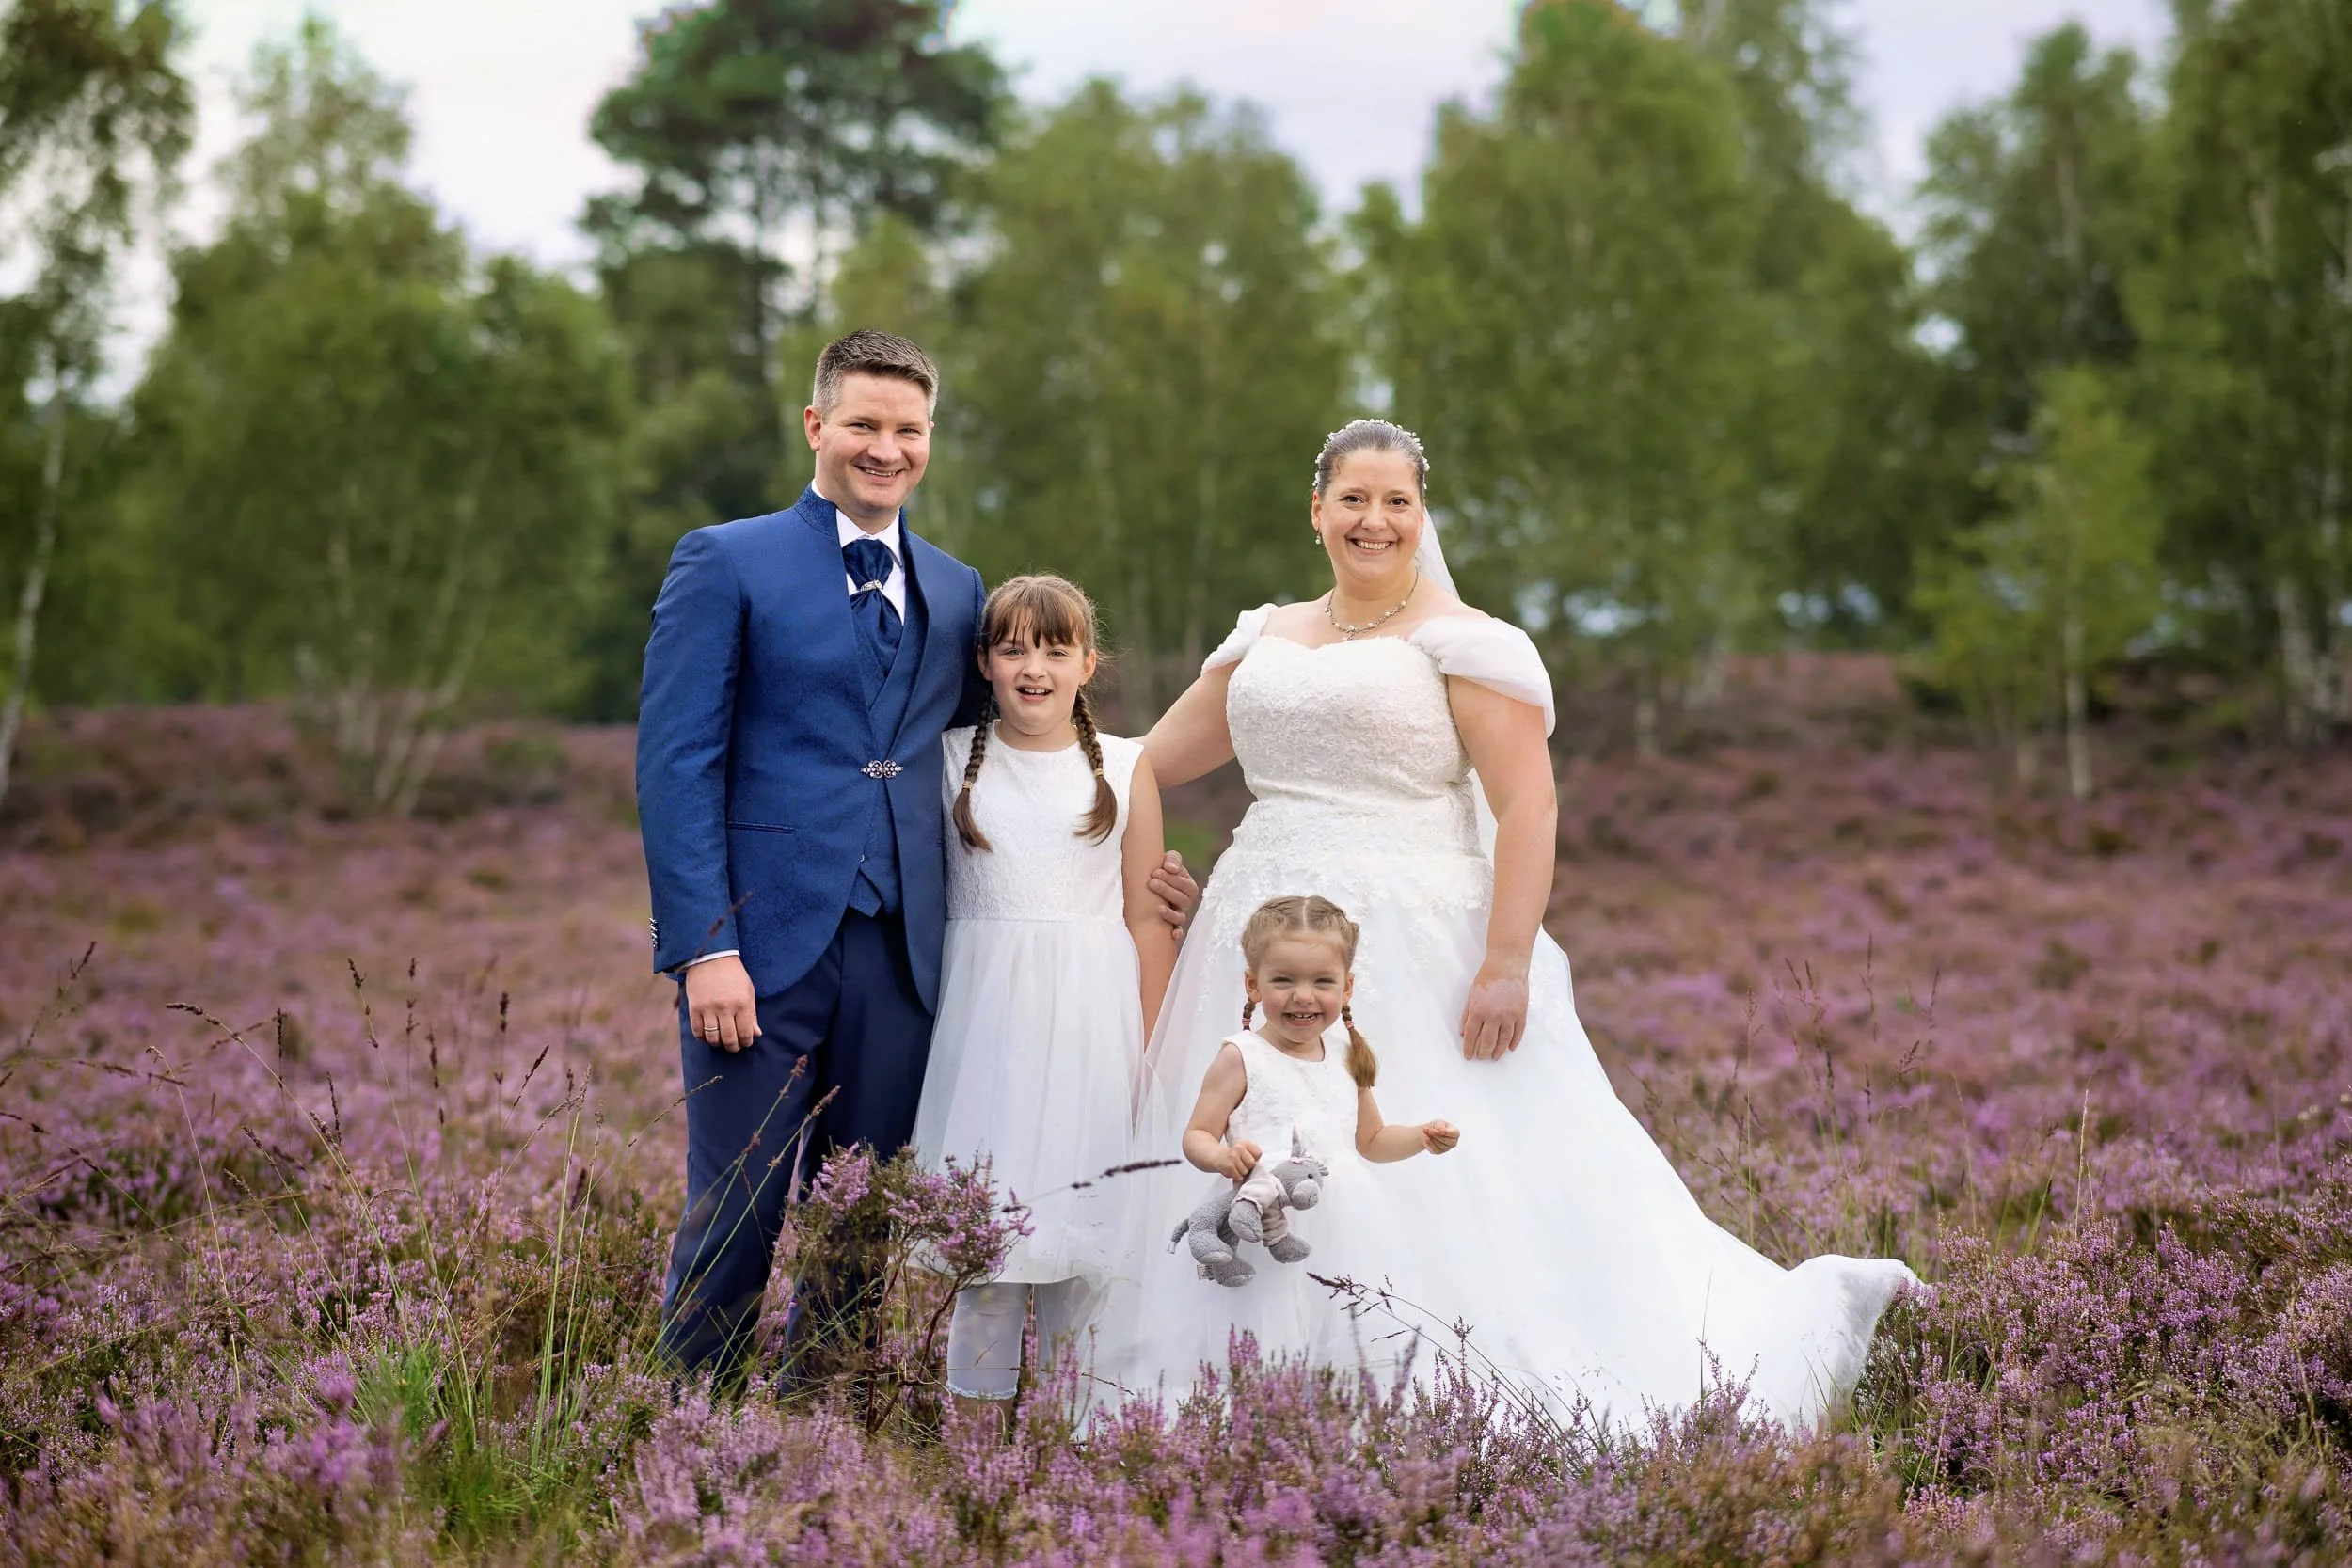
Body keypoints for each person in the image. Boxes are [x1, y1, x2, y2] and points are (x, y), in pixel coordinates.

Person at [1094, 419, 1918, 1431]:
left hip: (1414, 936)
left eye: (1397, 500)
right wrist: (1070, 795)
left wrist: (1505, 959)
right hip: (1255, 929)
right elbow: (1145, 759)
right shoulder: (1261, 637)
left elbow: (1530, 806)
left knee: (1424, 1162)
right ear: (1315, 510)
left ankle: (1400, 1383)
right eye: (1353, 497)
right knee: (1251, 1131)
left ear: (1421, 514)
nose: (1374, 518)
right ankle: (1244, 1377)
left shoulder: (1464, 642)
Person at [635, 329, 1195, 1382]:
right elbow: (675, 768)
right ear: (817, 426)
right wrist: (704, 947)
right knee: (737, 1208)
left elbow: (1023, 742)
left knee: (864, 1218)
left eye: (907, 429)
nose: (883, 448)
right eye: (862, 424)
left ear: (928, 439)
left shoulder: (955, 585)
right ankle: (687, 1426)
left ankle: (823, 1432)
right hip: (756, 950)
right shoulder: (726, 560)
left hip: (908, 961)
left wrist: (1136, 855)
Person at [909, 575, 1176, 1412]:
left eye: (1056, 650)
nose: (1036, 667)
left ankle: (1077, 1432)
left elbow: (1146, 918)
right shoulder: (948, 758)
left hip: (1096, 1028)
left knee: (1084, 1238)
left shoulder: (1129, 768)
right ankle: (977, 1437)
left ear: (1087, 662)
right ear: (984, 662)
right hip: (986, 1029)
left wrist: (1152, 1050)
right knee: (990, 1242)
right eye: (1015, 648)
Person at [1137, 895, 1458, 1377]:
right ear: (1253, 983)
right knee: (1265, 1336)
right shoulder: (1241, 1056)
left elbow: (1370, 1140)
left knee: (1343, 1339)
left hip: (1345, 1220)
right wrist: (1222, 1157)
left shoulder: (1348, 1052)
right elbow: (1197, 1134)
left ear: (1347, 988)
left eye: (1322, 982)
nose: (1302, 996)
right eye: (1283, 980)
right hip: (1263, 1216)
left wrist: (1420, 1137)